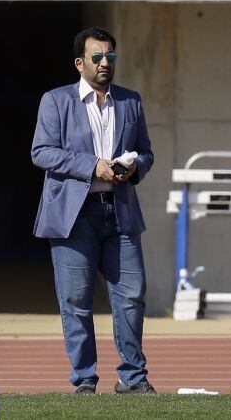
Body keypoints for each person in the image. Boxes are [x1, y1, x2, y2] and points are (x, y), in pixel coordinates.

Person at [31, 26, 155, 394]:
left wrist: (135, 167)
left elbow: (147, 150)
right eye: (97, 57)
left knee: (131, 297)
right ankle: (84, 380)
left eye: (110, 57)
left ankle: (133, 379)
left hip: (120, 213)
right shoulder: (55, 100)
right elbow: (42, 152)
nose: (105, 64)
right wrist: (91, 166)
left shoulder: (130, 101)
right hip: (74, 216)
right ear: (79, 62)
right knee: (76, 301)